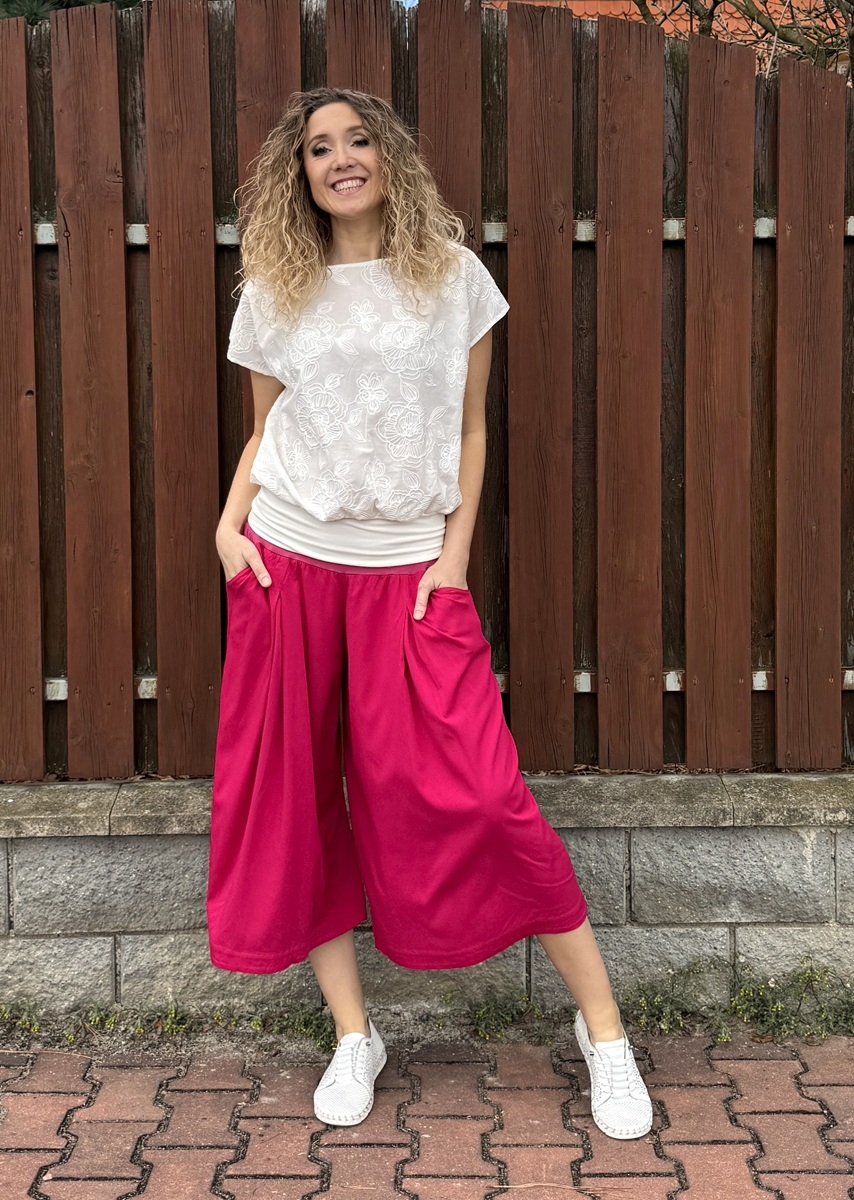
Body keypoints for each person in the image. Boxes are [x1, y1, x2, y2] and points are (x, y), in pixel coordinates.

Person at [208, 87, 652, 1141]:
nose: (340, 159)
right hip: (287, 562)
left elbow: (470, 432)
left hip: (409, 574)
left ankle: (605, 1036)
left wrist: (451, 561)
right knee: (296, 803)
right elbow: (264, 432)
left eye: (358, 140)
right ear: (298, 172)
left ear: (389, 156)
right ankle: (354, 1035)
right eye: (319, 148)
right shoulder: (274, 288)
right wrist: (226, 531)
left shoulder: (452, 280)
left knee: (489, 797)